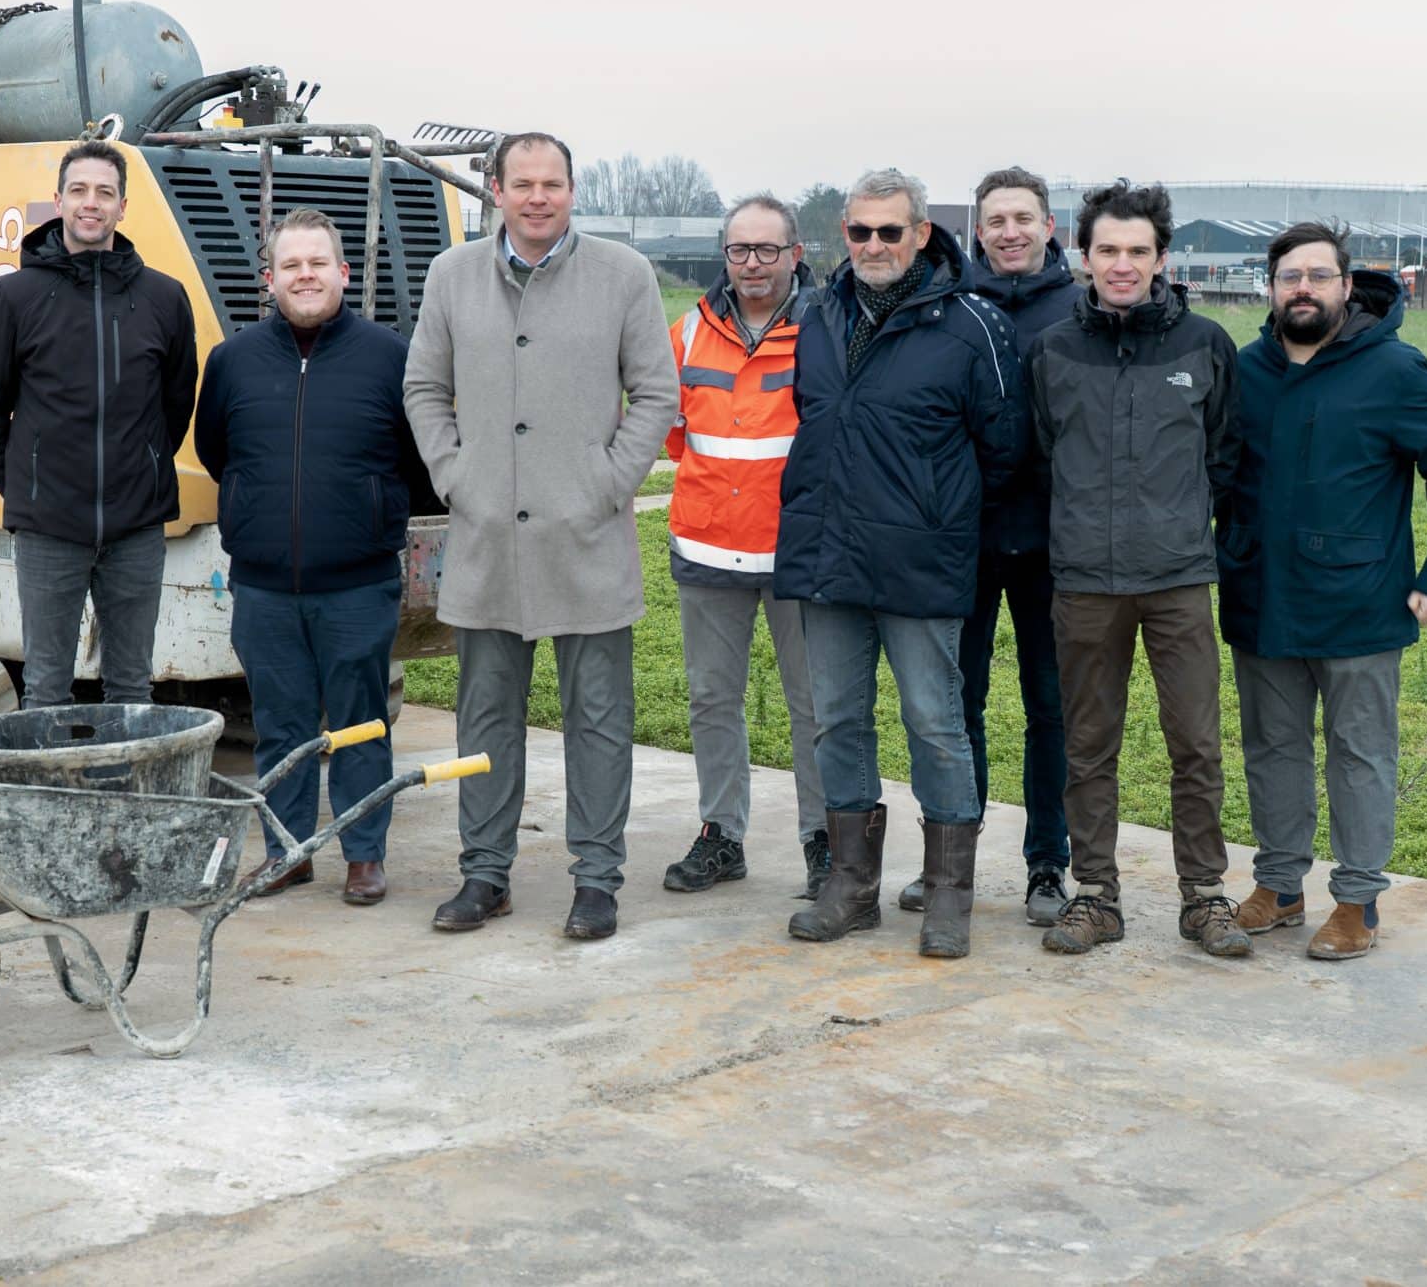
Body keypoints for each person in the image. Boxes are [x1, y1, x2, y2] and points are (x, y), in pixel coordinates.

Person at [403, 132, 677, 941]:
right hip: (487, 537)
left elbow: (656, 393)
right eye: (521, 183)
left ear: (572, 190)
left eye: (551, 183)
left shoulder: (624, 275)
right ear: (495, 189)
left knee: (599, 718)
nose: (537, 197)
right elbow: (424, 386)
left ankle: (596, 878)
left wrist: (607, 483)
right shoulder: (451, 275)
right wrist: (457, 477)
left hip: (587, 537)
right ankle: (484, 872)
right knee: (486, 716)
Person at [1220, 222, 1427, 959]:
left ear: (1346, 286)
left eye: (1317, 275)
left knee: (1359, 752)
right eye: (1289, 277)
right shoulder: (1246, 369)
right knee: (1271, 747)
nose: (1302, 288)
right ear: (1271, 288)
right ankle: (1279, 886)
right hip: (1262, 597)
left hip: (1361, 602)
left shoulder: (1393, 369)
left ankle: (1357, 900)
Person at [776, 168, 1023, 960]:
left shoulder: (971, 324)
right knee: (836, 720)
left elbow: (1005, 448)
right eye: (861, 231)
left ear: (921, 233)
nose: (874, 245)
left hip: (921, 563)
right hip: (829, 558)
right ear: (843, 235)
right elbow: (814, 419)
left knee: (935, 722)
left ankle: (949, 891)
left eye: (891, 230)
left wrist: (933, 514)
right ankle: (851, 884)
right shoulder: (818, 315)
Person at [1025, 179, 1249, 958]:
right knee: (1088, 746)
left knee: (1197, 742)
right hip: (1086, 582)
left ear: (1162, 259)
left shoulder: (1205, 346)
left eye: (1138, 250)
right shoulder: (1052, 350)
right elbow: (1044, 454)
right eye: (1108, 249)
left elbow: (1224, 455)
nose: (1122, 264)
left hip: (1178, 579)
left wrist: (1177, 523)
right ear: (1083, 256)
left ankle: (1205, 896)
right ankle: (1096, 895)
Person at [194, 208, 441, 908]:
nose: (306, 275)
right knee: (280, 727)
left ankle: (364, 855)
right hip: (265, 587)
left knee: (362, 723)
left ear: (344, 273)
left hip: (358, 584)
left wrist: (367, 509)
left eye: (318, 263)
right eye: (291, 265)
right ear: (270, 279)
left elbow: (417, 463)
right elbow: (217, 452)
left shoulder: (391, 357)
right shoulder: (233, 362)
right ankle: (287, 852)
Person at [903, 165, 1082, 929]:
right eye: (997, 220)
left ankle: (1048, 863)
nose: (1010, 232)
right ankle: (954, 858)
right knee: (956, 704)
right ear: (979, 230)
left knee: (1051, 707)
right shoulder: (946, 306)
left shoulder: (1080, 309)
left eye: (1024, 218)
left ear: (1049, 227)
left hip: (1052, 544)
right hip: (964, 540)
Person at [0, 139, 198, 710]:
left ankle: (124, 774)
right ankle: (49, 773)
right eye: (79, 190)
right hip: (49, 529)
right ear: (59, 202)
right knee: (46, 688)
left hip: (136, 529)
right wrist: (27, 484)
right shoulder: (13, 297)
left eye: (104, 192)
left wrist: (144, 467)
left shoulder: (164, 298)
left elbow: (176, 402)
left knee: (132, 688)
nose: (91, 203)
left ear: (123, 206)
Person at [658, 194, 829, 901]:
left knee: (816, 705)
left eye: (766, 249)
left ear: (795, 254)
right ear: (723, 255)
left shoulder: (826, 328)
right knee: (711, 699)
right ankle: (721, 834)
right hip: (707, 547)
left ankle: (826, 839)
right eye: (739, 249)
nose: (752, 263)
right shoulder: (687, 334)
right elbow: (675, 435)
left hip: (800, 553)